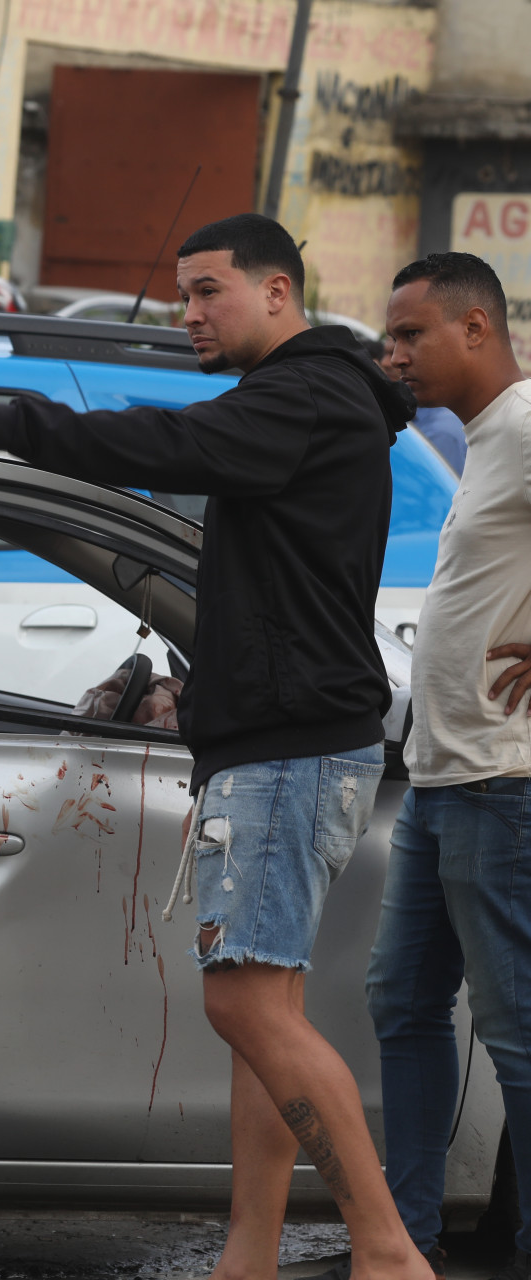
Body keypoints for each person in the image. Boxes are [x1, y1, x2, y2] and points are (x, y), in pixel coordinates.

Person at [0, 213, 426, 1280]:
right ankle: (249, 1254)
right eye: (183, 294)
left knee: (241, 1004)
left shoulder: (304, 398)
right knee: (264, 1018)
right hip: (287, 743)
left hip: (288, 755)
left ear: (278, 291)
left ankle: (387, 1246)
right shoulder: (312, 400)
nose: (189, 317)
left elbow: (166, 444)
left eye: (207, 291)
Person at [363, 252, 531, 1280]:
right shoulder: (486, 442)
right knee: (403, 1002)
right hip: (442, 776)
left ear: (477, 327)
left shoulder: (527, 423)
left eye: (411, 334)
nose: (395, 356)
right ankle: (405, 1241)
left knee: (518, 1034)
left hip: (501, 782)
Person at [380, 333, 468, 474]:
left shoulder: (441, 432)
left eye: (393, 354)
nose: (385, 362)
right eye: (385, 353)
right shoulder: (410, 412)